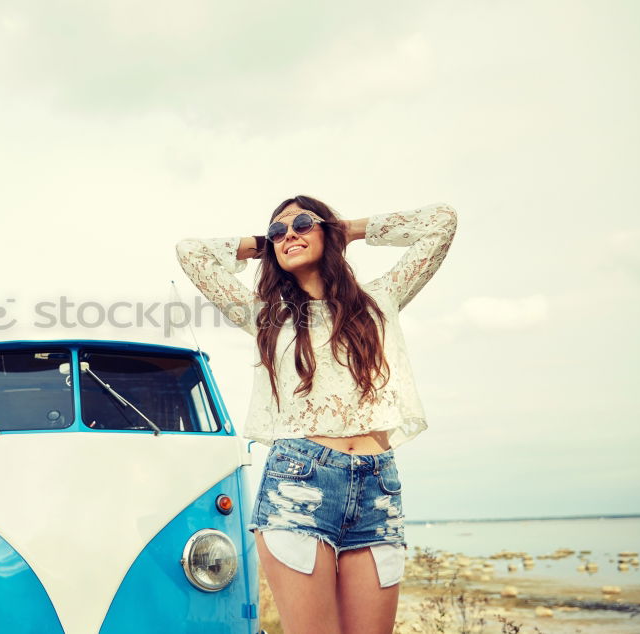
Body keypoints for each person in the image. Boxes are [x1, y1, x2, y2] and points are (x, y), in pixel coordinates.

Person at [174, 196, 458, 634]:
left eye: (303, 224)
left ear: (327, 230)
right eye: (278, 230)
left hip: (377, 486)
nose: (289, 234)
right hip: (297, 485)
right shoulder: (267, 314)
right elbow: (191, 253)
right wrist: (260, 243)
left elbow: (441, 223)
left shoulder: (380, 298)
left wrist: (348, 228)